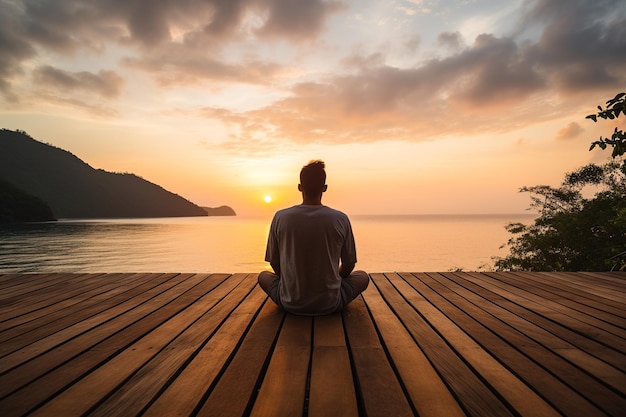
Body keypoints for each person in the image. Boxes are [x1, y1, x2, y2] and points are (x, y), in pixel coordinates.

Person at [258, 160, 369, 315]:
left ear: (299, 187)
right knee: (363, 277)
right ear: (324, 188)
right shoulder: (340, 219)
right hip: (330, 303)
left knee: (263, 276)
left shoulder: (280, 217)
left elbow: (275, 263)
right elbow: (349, 264)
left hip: (290, 302)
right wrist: (333, 278)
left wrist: (292, 281)